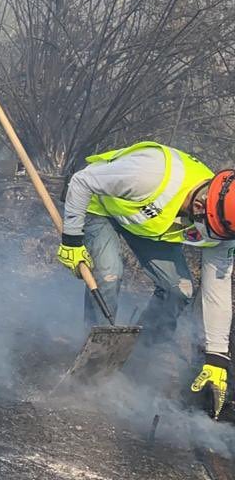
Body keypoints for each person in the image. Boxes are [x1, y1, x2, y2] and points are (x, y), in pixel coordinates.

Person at [57, 142, 235, 416]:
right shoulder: (151, 175)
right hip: (101, 206)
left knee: (180, 290)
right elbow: (82, 181)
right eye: (208, 233)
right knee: (108, 273)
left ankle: (136, 355)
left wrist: (217, 358)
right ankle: (94, 359)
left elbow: (217, 291)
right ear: (201, 206)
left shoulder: (223, 230)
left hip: (146, 226)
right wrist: (71, 240)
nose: (209, 240)